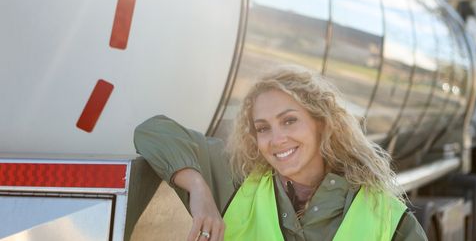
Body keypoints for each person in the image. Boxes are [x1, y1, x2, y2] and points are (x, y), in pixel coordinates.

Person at [134, 66, 427, 241]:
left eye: (289, 120)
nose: (276, 139)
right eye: (263, 128)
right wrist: (198, 190)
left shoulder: (386, 218)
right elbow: (153, 132)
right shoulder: (237, 181)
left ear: (321, 123)